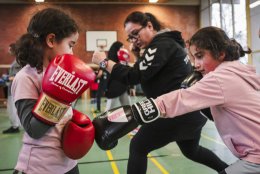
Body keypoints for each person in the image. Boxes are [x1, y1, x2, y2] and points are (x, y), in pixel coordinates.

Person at [92, 11, 228, 174]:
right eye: (131, 37)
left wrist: (104, 61)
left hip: (176, 111)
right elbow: (148, 73)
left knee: (138, 147)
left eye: (135, 33)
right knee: (192, 151)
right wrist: (137, 52)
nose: (134, 39)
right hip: (190, 111)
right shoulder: (168, 42)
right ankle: (229, 170)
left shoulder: (161, 44)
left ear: (149, 25)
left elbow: (134, 75)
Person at [11, 8, 95, 174]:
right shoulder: (26, 77)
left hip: (68, 164)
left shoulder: (60, 73)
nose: (72, 52)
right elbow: (33, 130)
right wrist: (59, 96)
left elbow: (64, 116)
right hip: (38, 168)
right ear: (51, 40)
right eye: (70, 45)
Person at [105, 41, 132, 111]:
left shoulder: (122, 59)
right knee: (109, 110)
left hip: (123, 86)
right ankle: (103, 121)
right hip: (114, 87)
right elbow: (103, 67)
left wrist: (131, 87)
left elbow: (127, 72)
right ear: (116, 48)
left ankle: (130, 121)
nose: (123, 49)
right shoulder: (108, 60)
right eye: (121, 47)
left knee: (128, 108)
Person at [2, 43, 22, 134]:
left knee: (12, 108)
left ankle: (15, 126)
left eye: (10, 49)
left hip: (15, 89)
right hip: (13, 88)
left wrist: (7, 78)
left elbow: (18, 75)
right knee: (13, 108)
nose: (8, 51)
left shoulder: (18, 61)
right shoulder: (17, 60)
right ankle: (16, 125)